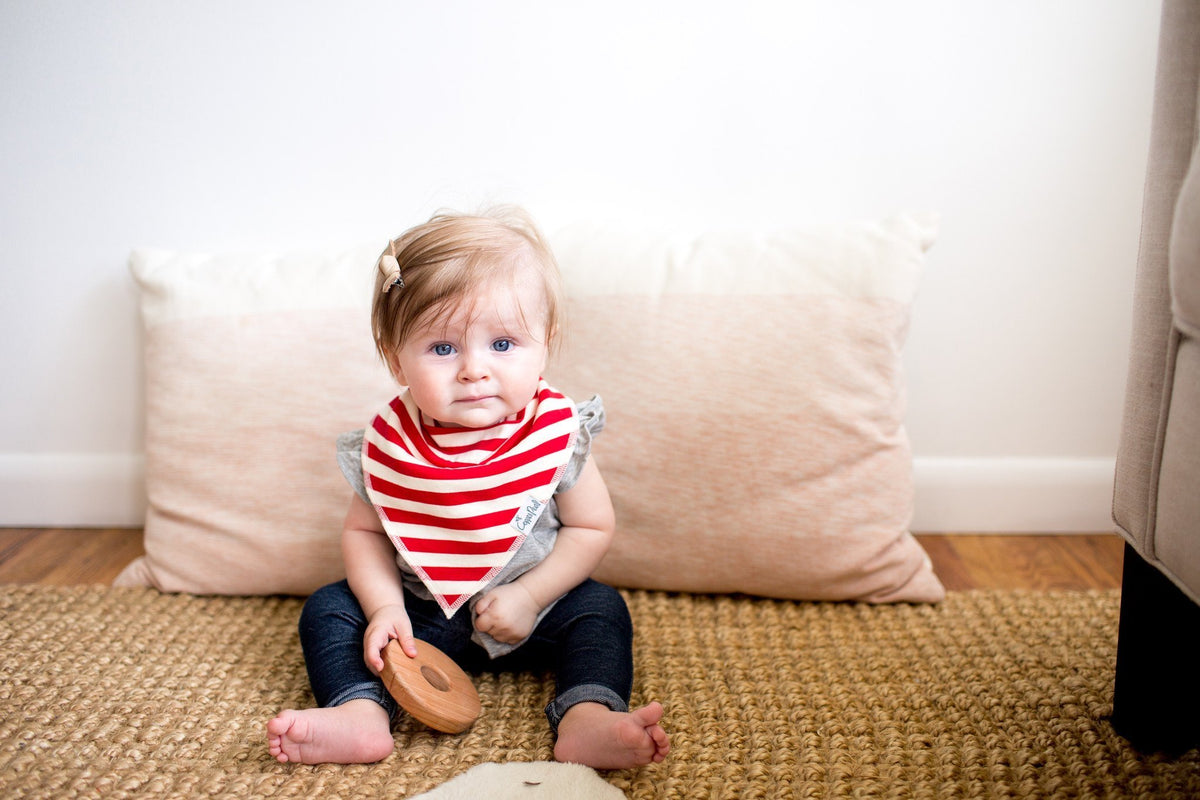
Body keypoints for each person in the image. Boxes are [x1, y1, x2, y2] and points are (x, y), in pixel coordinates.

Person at [267, 207, 670, 769]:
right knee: (330, 608)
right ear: (395, 358)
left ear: (545, 343)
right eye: (442, 348)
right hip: (422, 616)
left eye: (502, 344)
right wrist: (385, 607)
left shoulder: (556, 434)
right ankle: (359, 712)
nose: (473, 370)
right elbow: (364, 534)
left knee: (600, 611)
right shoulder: (392, 444)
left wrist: (531, 597)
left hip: (534, 608)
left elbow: (591, 526)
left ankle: (586, 716)